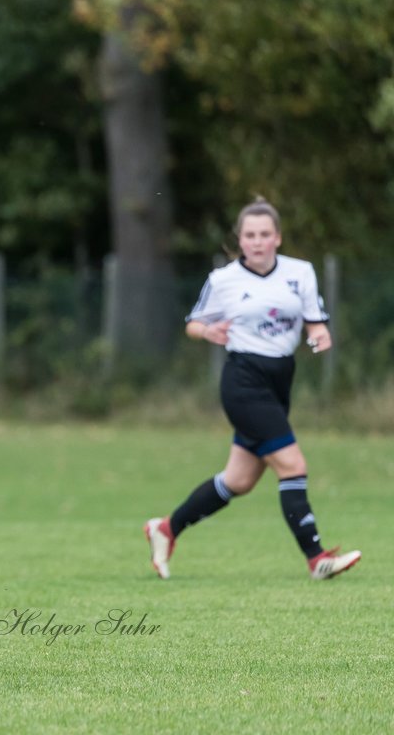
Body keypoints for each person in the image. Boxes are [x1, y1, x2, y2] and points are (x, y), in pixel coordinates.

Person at [143, 197, 360, 581]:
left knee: (238, 481)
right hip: (243, 381)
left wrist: (320, 335)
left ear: (277, 237)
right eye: (249, 235)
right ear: (239, 240)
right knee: (293, 465)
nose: (257, 241)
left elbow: (315, 322)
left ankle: (166, 528)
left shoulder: (301, 273)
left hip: (280, 382)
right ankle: (317, 559)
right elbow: (193, 323)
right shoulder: (224, 280)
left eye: (264, 234)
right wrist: (207, 331)